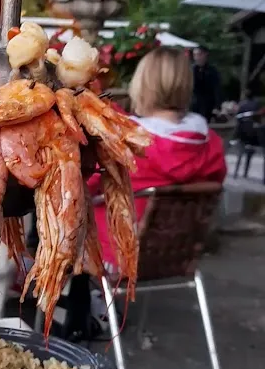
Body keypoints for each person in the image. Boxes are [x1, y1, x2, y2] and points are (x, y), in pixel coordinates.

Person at [88, 46, 227, 269]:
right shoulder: (212, 143)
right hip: (176, 251)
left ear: (142, 84)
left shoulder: (127, 141)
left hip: (113, 247)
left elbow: (87, 185)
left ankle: (79, 300)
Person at [191, 45, 222, 122]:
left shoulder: (212, 70)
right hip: (193, 104)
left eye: (199, 54)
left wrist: (217, 106)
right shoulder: (191, 69)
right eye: (195, 55)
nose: (197, 58)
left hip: (207, 105)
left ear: (205, 54)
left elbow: (217, 88)